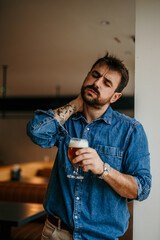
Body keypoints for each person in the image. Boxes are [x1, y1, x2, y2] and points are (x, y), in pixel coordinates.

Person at [27, 52, 151, 240]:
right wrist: (76, 103)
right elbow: (36, 132)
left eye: (106, 83)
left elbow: (142, 189)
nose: (97, 83)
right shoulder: (67, 121)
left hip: (101, 237)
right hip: (56, 233)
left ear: (115, 96)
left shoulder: (131, 130)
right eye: (95, 75)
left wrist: (103, 169)